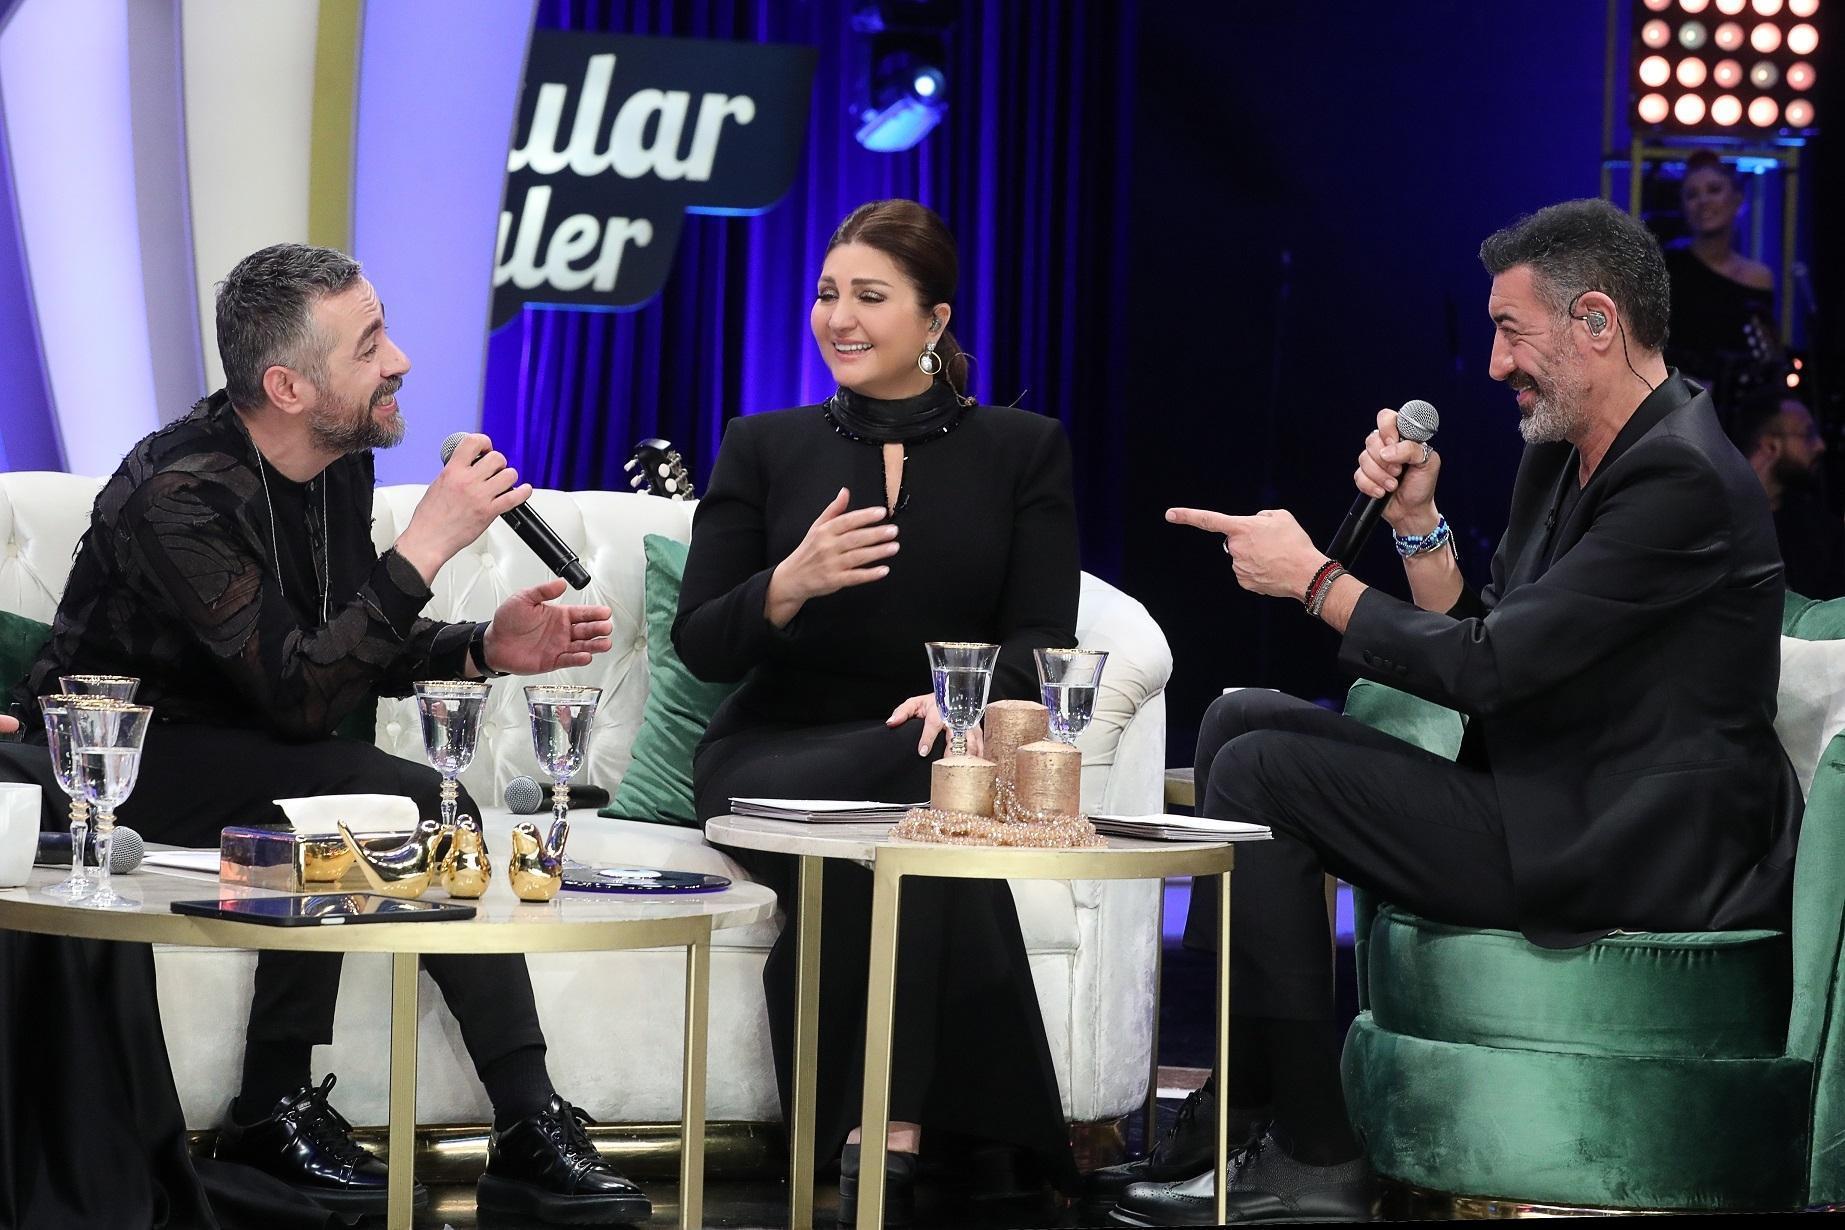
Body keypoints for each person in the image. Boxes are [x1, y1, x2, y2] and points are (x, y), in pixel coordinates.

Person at [1101, 198, 1799, 1226]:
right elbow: (1489, 635)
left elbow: (1489, 668)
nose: (1495, 364)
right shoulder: (1563, 454)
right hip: (1547, 793)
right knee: (1237, 719)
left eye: (1512, 332)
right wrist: (1416, 522)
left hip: (1633, 843)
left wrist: (1316, 582)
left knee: (1261, 773)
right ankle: (1239, 1107)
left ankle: (1317, 1153)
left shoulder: (1682, 479)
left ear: (1596, 322)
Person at [12, 244, 649, 1226]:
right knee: (392, 795)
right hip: (111, 758)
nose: (400, 361)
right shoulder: (179, 493)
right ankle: (298, 1105)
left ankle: (510, 1119)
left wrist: (483, 646)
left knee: (364, 790)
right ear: (288, 387)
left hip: (251, 742)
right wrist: (428, 543)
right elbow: (301, 694)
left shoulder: (337, 462)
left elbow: (340, 648)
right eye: (370, 344)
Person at [673, 199, 1081, 1223]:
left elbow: (1042, 632)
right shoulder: (762, 445)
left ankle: (873, 1127)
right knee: (930, 796)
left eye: (868, 296)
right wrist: (787, 584)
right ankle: (985, 1138)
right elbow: (703, 643)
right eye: (826, 294)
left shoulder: (1023, 449)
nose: (838, 317)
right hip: (771, 755)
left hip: (930, 745)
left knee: (915, 802)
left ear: (934, 320)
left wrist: (966, 704)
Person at [1663, 151, 1778, 396]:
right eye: (1692, 195)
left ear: (1737, 199)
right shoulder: (1667, 267)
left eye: (1714, 190)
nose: (1703, 201)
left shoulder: (1759, 277)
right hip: (1681, 398)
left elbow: (1766, 359)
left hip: (1743, 403)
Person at [1728, 388, 1845, 599]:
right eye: (1807, 434)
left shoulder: (1822, 530)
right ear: (1771, 446)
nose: (1820, 445)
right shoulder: (1709, 517)